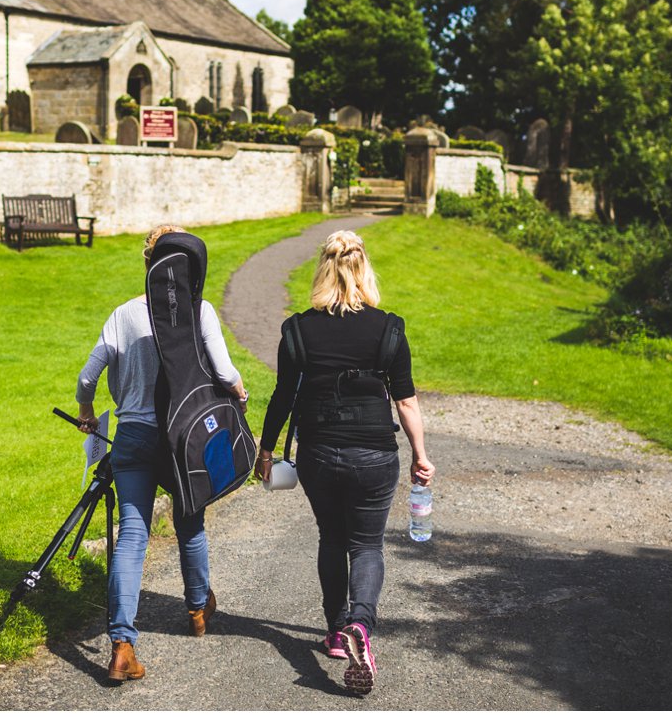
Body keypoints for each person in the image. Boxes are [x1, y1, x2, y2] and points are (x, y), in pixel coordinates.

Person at [255, 229, 434, 696]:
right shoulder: (388, 328)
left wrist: (266, 448)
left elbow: (282, 397)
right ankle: (362, 624)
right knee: (368, 545)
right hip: (375, 453)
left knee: (333, 539)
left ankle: (337, 632)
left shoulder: (298, 329)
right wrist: (421, 454)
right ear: (363, 269)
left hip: (318, 453)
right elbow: (407, 402)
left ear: (323, 269)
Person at [76, 224, 248, 683]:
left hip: (132, 435)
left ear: (148, 264)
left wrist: (88, 412)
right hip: (181, 438)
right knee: (189, 520)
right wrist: (240, 393)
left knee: (132, 533)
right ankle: (197, 610)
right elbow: (224, 370)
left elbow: (87, 376)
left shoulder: (124, 314)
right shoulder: (198, 309)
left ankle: (122, 644)